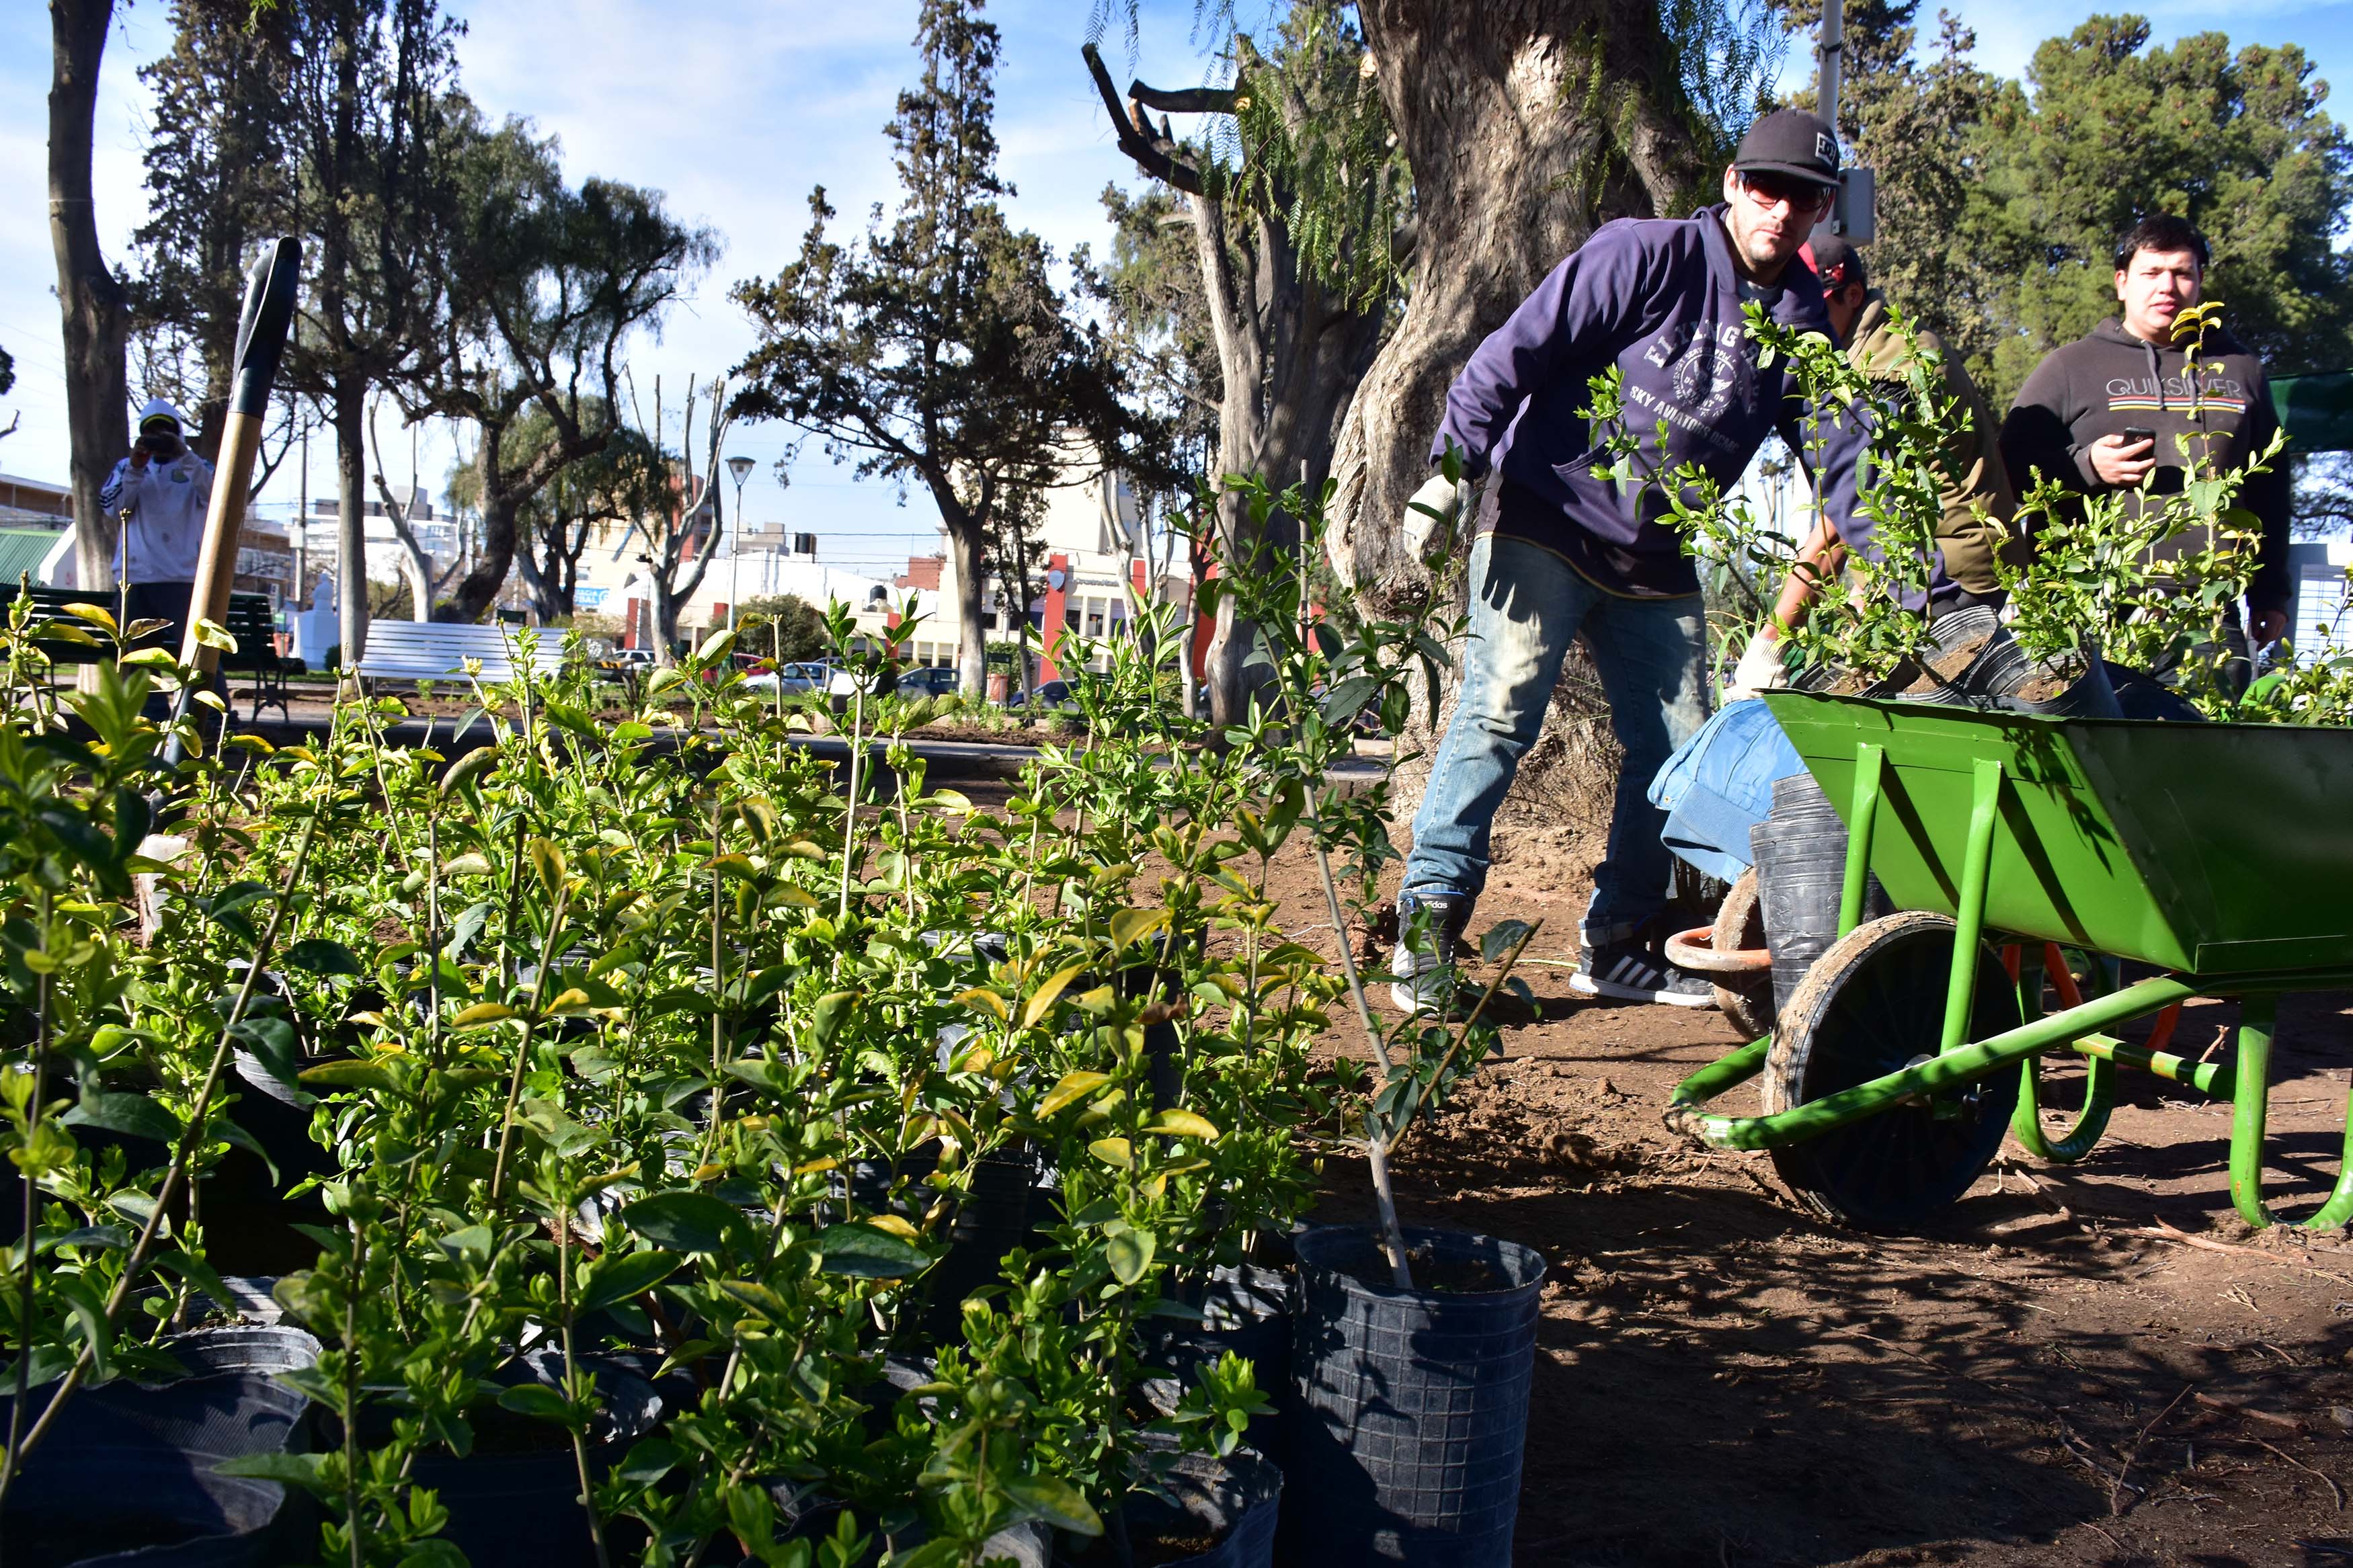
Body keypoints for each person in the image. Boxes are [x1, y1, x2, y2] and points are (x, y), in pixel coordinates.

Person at [1391, 108, 1870, 1015]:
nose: (1781, 211)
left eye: (1803, 199)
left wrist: (1902, 573)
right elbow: (1514, 352)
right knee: (1498, 714)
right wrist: (1451, 471)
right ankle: (1428, 930)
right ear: (1733, 184)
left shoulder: (1803, 321)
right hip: (1548, 516)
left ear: (1817, 212)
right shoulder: (1643, 255)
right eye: (1766, 189)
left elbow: (1843, 460)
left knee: (1681, 752)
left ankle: (1619, 942)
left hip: (1656, 554)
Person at [1726, 233, 2018, 698]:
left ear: (1853, 296)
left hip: (1951, 579)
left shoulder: (1888, 367)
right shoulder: (1854, 358)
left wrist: (1772, 641)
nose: (1795, 318)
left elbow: (1854, 507)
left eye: (1812, 302)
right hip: (1921, 573)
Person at [1997, 214, 2291, 668]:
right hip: (2088, 603)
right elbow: (2006, 468)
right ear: (2122, 283)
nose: (2167, 287)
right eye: (2151, 273)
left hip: (2207, 612)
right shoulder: (2071, 367)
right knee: (2088, 740)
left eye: (2182, 273)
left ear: (2199, 282)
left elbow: (2271, 489)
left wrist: (2270, 593)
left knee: (2202, 739)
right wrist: (2087, 466)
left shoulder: (2241, 370)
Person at [95, 399, 213, 657]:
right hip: (136, 581)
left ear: (178, 432)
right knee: (139, 663)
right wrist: (135, 468)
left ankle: (202, 700)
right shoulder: (126, 468)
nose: (158, 439)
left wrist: (183, 455)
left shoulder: (199, 468)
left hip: (184, 581)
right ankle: (149, 701)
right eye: (151, 432)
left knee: (199, 657)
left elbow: (217, 499)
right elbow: (112, 508)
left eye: (165, 432)